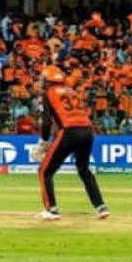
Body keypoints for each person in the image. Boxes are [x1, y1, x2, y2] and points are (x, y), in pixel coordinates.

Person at [31, 66, 109, 220]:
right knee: (84, 170)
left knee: (44, 171)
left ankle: (51, 209)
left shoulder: (49, 93)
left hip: (69, 131)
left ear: (47, 80)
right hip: (88, 130)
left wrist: (44, 141)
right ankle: (101, 207)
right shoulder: (71, 91)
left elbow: (46, 121)